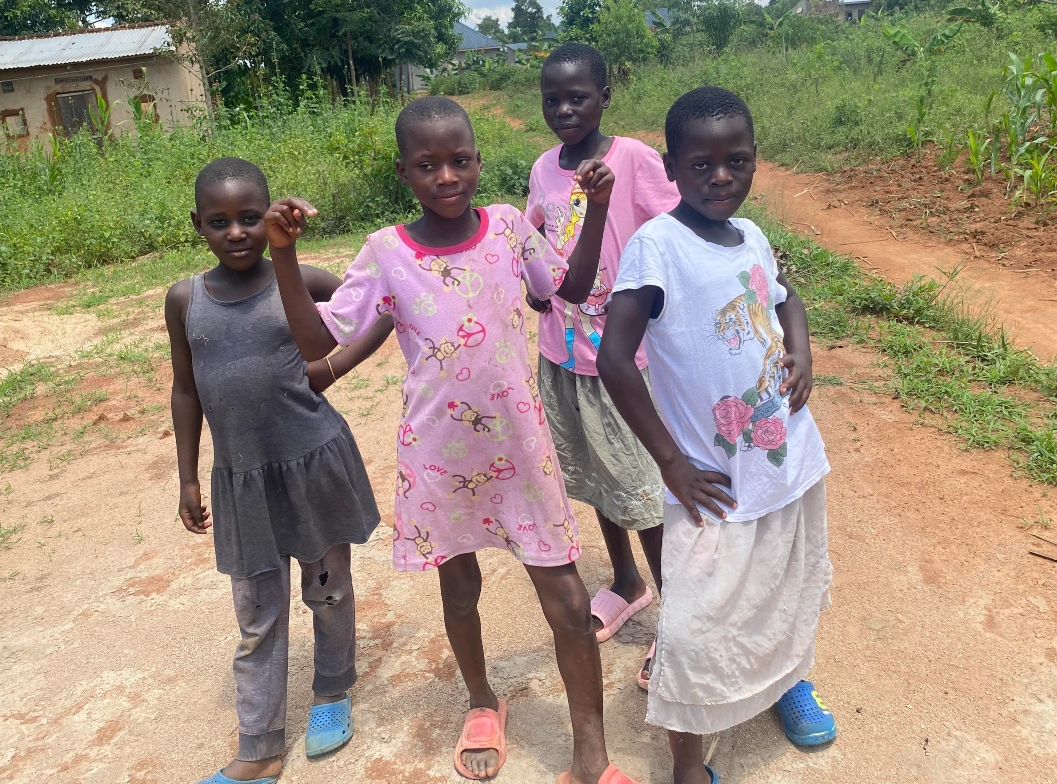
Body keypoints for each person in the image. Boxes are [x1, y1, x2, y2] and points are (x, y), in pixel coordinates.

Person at [265, 97, 639, 784]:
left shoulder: (506, 228)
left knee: (565, 597)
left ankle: (591, 750)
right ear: (404, 171)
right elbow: (321, 339)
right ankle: (481, 699)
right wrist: (284, 258)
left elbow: (573, 286)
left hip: (521, 451)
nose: (446, 177)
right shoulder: (384, 252)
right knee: (459, 588)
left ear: (477, 160)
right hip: (438, 458)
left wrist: (602, 210)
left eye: (459, 160)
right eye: (428, 165)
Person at [598, 87, 838, 784]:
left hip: (786, 462)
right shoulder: (657, 248)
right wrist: (670, 463)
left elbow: (784, 295)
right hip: (712, 479)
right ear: (672, 168)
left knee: (786, 588)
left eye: (735, 161)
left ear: (755, 161)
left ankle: (787, 683)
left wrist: (802, 349)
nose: (721, 178)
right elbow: (615, 356)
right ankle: (685, 763)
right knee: (695, 627)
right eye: (701, 166)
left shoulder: (753, 236)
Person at [166, 157, 394, 784]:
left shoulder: (299, 278)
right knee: (256, 612)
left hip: (311, 463)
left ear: (269, 219)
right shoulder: (185, 299)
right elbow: (186, 390)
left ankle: (330, 693)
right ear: (198, 226)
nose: (236, 232)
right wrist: (187, 475)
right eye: (219, 221)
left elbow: (378, 307)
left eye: (249, 218)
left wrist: (331, 370)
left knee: (327, 589)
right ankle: (260, 745)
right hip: (243, 481)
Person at [525, 42, 681, 688]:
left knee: (644, 495)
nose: (565, 109)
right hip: (561, 356)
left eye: (579, 97)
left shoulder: (634, 160)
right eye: (553, 100)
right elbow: (535, 240)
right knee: (593, 478)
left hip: (621, 361)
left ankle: (681, 624)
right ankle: (624, 581)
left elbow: (679, 228)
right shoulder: (542, 168)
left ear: (604, 97)